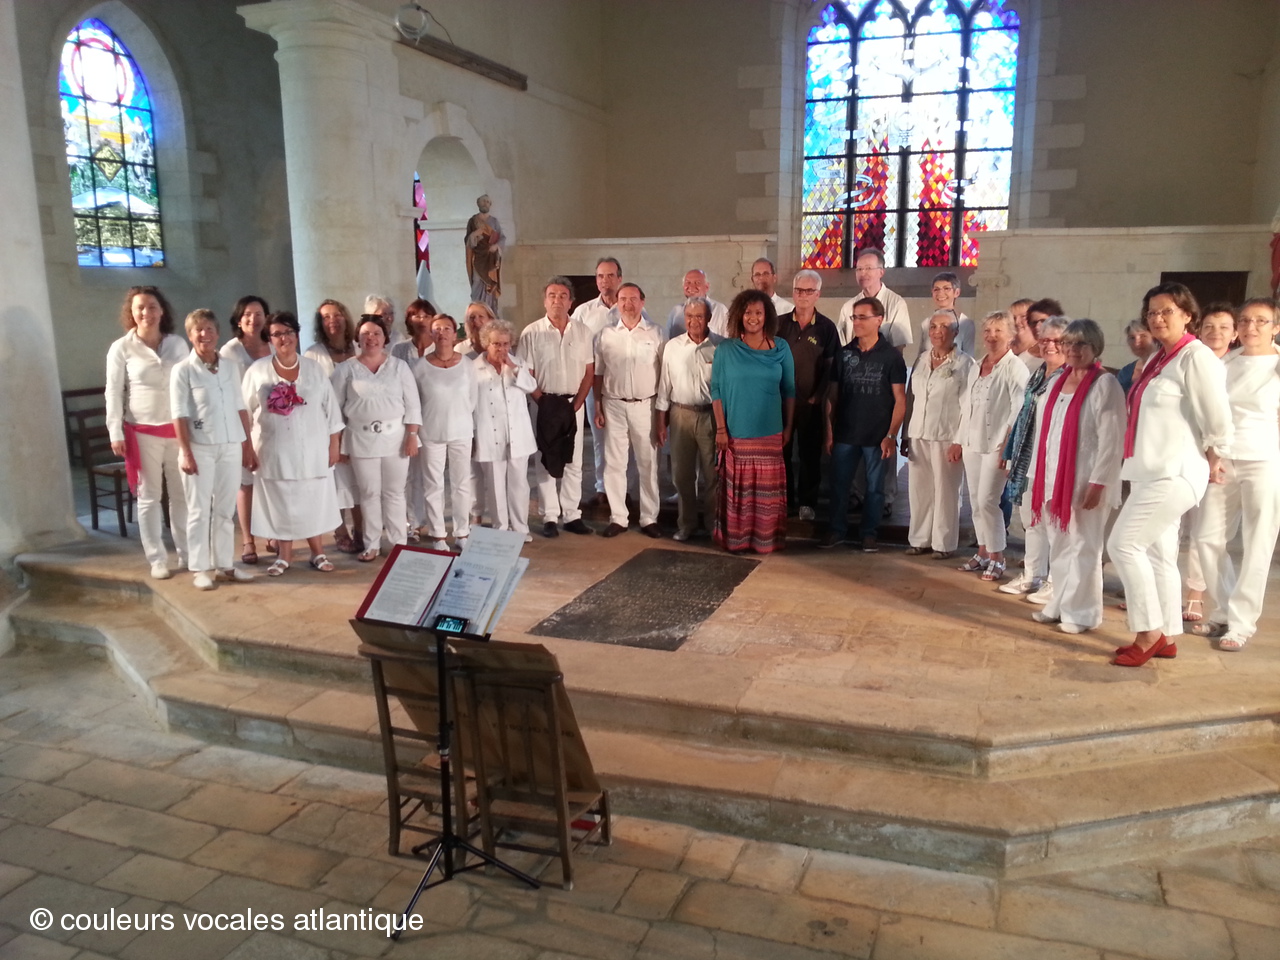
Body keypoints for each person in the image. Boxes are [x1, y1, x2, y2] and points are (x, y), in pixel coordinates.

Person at [1106, 283, 1232, 666]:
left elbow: (1218, 418)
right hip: (1148, 468)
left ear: (1187, 315)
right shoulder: (1160, 359)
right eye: (1152, 312)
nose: (1157, 318)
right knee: (1159, 554)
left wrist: (1216, 459)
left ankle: (1148, 632)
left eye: (1167, 311)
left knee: (1123, 545)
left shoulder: (1197, 356)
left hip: (1174, 471)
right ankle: (1168, 636)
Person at [1188, 298, 1280, 651]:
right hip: (1224, 459)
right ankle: (1224, 609)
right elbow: (1209, 412)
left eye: (1261, 321)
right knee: (1207, 538)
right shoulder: (1224, 363)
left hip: (1265, 460)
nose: (1251, 327)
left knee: (1258, 544)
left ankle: (1242, 624)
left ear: (1275, 327)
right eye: (1245, 320)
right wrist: (1211, 453)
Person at [1025, 319, 1126, 634]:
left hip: (1086, 479)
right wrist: (1036, 475)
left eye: (1081, 344)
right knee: (1059, 544)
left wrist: (1099, 483)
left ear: (1095, 347)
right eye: (1068, 343)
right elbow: (1045, 432)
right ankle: (1059, 603)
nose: (1072, 349)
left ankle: (1082, 613)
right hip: (1053, 477)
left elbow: (1112, 440)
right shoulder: (1058, 380)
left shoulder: (1104, 384)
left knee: (1084, 546)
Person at [242, 312, 344, 576]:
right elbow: (243, 411)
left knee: (312, 499)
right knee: (281, 501)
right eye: (277, 334)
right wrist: (247, 448)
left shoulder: (313, 368)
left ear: (297, 335)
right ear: (270, 339)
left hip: (312, 448)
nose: (283, 338)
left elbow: (331, 409)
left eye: (288, 332)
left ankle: (317, 552)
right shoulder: (257, 370)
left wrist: (334, 443)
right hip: (274, 450)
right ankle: (284, 555)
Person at [105, 285, 191, 580]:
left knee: (181, 495)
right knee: (149, 496)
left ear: (162, 310)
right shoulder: (122, 347)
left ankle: (187, 553)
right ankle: (157, 558)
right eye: (140, 307)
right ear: (131, 312)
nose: (146, 313)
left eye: (152, 306)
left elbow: (189, 384)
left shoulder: (177, 344)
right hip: (142, 431)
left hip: (178, 430)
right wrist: (115, 430)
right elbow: (113, 391)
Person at [170, 309, 257, 590]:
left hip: (230, 444)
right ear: (190, 335)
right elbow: (179, 414)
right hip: (200, 447)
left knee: (224, 509)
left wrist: (247, 445)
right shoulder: (183, 370)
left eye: (209, 329)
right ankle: (199, 568)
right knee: (199, 510)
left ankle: (225, 565)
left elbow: (240, 407)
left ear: (217, 333)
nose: (204, 334)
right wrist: (185, 452)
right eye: (198, 330)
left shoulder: (229, 366)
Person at [331, 315, 422, 561]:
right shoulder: (345, 369)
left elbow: (413, 404)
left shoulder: (399, 367)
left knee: (395, 493)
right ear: (357, 338)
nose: (371, 338)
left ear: (385, 338)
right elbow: (334, 409)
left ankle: (398, 543)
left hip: (396, 438)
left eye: (376, 334)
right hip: (360, 438)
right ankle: (371, 544)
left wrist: (412, 435)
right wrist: (337, 443)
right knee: (368, 493)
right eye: (365, 334)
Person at [711, 290, 795, 554]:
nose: (753, 317)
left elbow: (790, 390)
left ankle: (765, 541)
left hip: (770, 431)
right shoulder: (726, 349)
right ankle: (738, 540)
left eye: (759, 312)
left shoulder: (781, 348)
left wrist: (789, 427)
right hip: (736, 432)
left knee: (765, 494)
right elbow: (716, 391)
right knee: (741, 492)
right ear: (739, 315)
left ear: (767, 316)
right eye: (748, 312)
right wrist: (721, 429)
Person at [821, 296, 906, 552]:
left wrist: (891, 435)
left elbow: (900, 400)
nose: (857, 322)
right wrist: (829, 431)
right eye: (854, 317)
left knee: (875, 488)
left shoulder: (891, 356)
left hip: (877, 435)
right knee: (839, 486)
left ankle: (869, 533)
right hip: (846, 432)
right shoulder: (844, 354)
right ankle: (836, 530)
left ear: (879, 320)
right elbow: (832, 396)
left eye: (862, 317)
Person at [954, 311, 1030, 581]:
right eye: (988, 331)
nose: (992, 336)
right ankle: (983, 551)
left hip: (997, 443)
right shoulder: (976, 365)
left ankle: (998, 556)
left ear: (1010, 336)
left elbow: (1018, 409)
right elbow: (967, 406)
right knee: (976, 501)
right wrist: (958, 440)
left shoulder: (1014, 367)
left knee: (988, 500)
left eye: (999, 331)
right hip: (972, 441)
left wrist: (1008, 447)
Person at [519, 277, 595, 537]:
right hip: (544, 404)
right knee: (545, 459)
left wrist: (577, 404)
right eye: (552, 295)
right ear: (544, 301)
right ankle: (550, 516)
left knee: (573, 460)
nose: (557, 300)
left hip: (573, 404)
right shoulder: (531, 332)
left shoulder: (583, 331)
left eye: (563, 296)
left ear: (571, 302)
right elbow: (526, 373)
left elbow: (589, 371)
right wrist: (543, 403)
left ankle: (572, 515)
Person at [999, 316, 1069, 598]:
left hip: (1053, 461)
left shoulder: (1069, 377)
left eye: (1057, 340)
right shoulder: (1038, 374)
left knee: (1055, 524)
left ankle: (1056, 581)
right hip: (1029, 458)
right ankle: (1033, 575)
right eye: (1045, 340)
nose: (1050, 345)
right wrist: (1011, 454)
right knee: (1032, 519)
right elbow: (1022, 416)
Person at [1181, 303, 1238, 622]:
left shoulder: (1237, 366)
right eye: (1209, 327)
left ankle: (1196, 593)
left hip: (1219, 456)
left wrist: (1216, 452)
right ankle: (1161, 589)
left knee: (1204, 529)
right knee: (1174, 525)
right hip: (1185, 450)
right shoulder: (1189, 359)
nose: (1216, 332)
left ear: (1234, 334)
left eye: (1224, 327)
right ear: (1199, 331)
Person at [903, 310, 975, 559]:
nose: (937, 331)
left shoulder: (965, 364)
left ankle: (943, 544)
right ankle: (919, 539)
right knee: (919, 490)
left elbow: (969, 406)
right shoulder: (922, 359)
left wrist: (959, 441)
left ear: (955, 332)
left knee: (946, 491)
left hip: (947, 435)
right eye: (933, 326)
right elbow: (911, 399)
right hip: (919, 433)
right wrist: (906, 434)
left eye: (944, 326)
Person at [594, 283, 664, 537]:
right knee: (614, 463)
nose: (628, 304)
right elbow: (598, 373)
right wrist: (598, 406)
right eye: (623, 299)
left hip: (645, 405)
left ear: (642, 302)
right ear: (617, 303)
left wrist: (662, 413)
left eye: (633, 299)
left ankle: (649, 518)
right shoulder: (605, 335)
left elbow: (664, 374)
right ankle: (618, 518)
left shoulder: (656, 333)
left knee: (647, 463)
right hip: (613, 404)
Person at [656, 297, 721, 541]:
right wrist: (661, 421)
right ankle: (687, 524)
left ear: (709, 319)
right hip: (680, 414)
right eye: (689, 316)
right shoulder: (672, 346)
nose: (694, 321)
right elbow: (664, 386)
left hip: (710, 416)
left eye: (699, 316)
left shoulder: (720, 346)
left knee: (712, 475)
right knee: (682, 474)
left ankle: (713, 524)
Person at [777, 269, 839, 522]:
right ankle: (785, 501)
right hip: (781, 404)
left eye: (809, 291)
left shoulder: (826, 327)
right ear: (793, 293)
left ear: (818, 294)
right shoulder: (779, 324)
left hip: (811, 404)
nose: (803, 295)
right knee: (781, 453)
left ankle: (807, 503)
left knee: (809, 455)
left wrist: (817, 397)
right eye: (799, 290)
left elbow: (831, 367)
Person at [304, 299, 362, 555]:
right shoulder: (313, 354)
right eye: (326, 317)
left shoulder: (359, 347)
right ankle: (340, 531)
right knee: (336, 481)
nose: (332, 321)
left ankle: (361, 529)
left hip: (358, 425)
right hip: (328, 427)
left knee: (359, 480)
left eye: (337, 315)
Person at [413, 315, 476, 550]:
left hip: (461, 430)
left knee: (461, 483)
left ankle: (462, 532)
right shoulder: (420, 367)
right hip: (431, 431)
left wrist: (462, 418)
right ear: (431, 334)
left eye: (446, 328)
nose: (442, 333)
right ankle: (438, 534)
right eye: (437, 329)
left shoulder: (467, 365)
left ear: (454, 333)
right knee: (433, 485)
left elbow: (472, 399)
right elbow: (414, 402)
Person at [218, 295, 271, 565]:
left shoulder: (273, 344)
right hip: (242, 424)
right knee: (246, 483)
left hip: (272, 425)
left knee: (270, 481)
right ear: (239, 320)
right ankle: (249, 540)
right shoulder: (230, 352)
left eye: (259, 313)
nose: (254, 319)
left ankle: (273, 533)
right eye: (248, 314)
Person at [473, 319, 537, 539]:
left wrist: (514, 367)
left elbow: (531, 387)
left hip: (517, 432)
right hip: (489, 433)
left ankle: (520, 528)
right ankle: (500, 529)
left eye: (506, 344)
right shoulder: (473, 368)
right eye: (496, 344)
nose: (502, 349)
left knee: (519, 484)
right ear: (486, 344)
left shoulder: (518, 364)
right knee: (495, 485)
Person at [572, 257, 623, 504]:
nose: (605, 281)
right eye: (601, 276)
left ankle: (624, 489)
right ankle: (602, 488)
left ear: (619, 279)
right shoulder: (584, 312)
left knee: (623, 441)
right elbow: (574, 345)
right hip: (594, 384)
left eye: (610, 275)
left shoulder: (629, 305)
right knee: (600, 437)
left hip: (623, 384)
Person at [838, 248, 911, 351]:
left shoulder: (897, 303)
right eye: (859, 269)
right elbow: (841, 344)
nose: (863, 273)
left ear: (881, 272)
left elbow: (898, 346)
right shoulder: (848, 307)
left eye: (868, 268)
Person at [917, 273, 973, 359]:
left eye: (946, 288)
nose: (940, 293)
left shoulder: (965, 323)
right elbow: (921, 356)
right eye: (936, 289)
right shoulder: (926, 323)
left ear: (956, 292)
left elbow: (969, 357)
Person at [465, 194, 503, 310]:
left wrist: (496, 246)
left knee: (490, 282)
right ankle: (477, 308)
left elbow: (502, 238)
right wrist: (474, 234)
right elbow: (467, 241)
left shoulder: (494, 221)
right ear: (478, 203)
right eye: (483, 201)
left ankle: (490, 310)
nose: (485, 203)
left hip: (491, 258)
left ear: (490, 204)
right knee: (477, 281)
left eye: (487, 202)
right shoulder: (473, 221)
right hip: (478, 257)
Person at [667, 269, 729, 339]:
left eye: (697, 283)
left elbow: (728, 339)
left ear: (707, 287)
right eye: (688, 282)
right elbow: (669, 338)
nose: (691, 287)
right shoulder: (676, 311)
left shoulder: (720, 310)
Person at [390, 298, 438, 363]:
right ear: (410, 320)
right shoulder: (399, 349)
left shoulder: (439, 348)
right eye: (417, 316)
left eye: (426, 316)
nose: (422, 320)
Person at [1116, 319, 1155, 395]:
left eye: (1143, 336)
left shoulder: (1164, 367)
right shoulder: (1125, 372)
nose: (1137, 343)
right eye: (1132, 338)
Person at [1009, 298, 1039, 371]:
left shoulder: (1043, 352)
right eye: (1013, 318)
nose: (1017, 322)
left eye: (1023, 317)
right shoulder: (1005, 350)